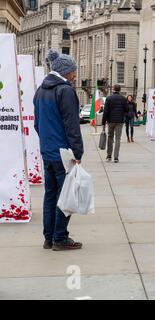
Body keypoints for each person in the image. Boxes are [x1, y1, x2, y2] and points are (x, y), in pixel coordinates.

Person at [33, 49, 83, 251]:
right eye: (73, 71)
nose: (75, 74)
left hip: (47, 150)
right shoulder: (65, 90)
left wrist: (47, 141)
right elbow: (72, 125)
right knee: (66, 195)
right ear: (65, 71)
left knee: (50, 194)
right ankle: (60, 237)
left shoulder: (40, 90)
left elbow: (37, 123)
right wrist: (77, 152)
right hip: (64, 152)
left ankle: (49, 237)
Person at [102, 84, 128, 163]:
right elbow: (127, 109)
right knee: (117, 139)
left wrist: (103, 122)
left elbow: (105, 111)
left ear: (113, 89)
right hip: (120, 121)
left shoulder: (109, 98)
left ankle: (109, 155)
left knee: (110, 137)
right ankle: (116, 157)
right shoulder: (123, 99)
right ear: (119, 90)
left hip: (110, 121)